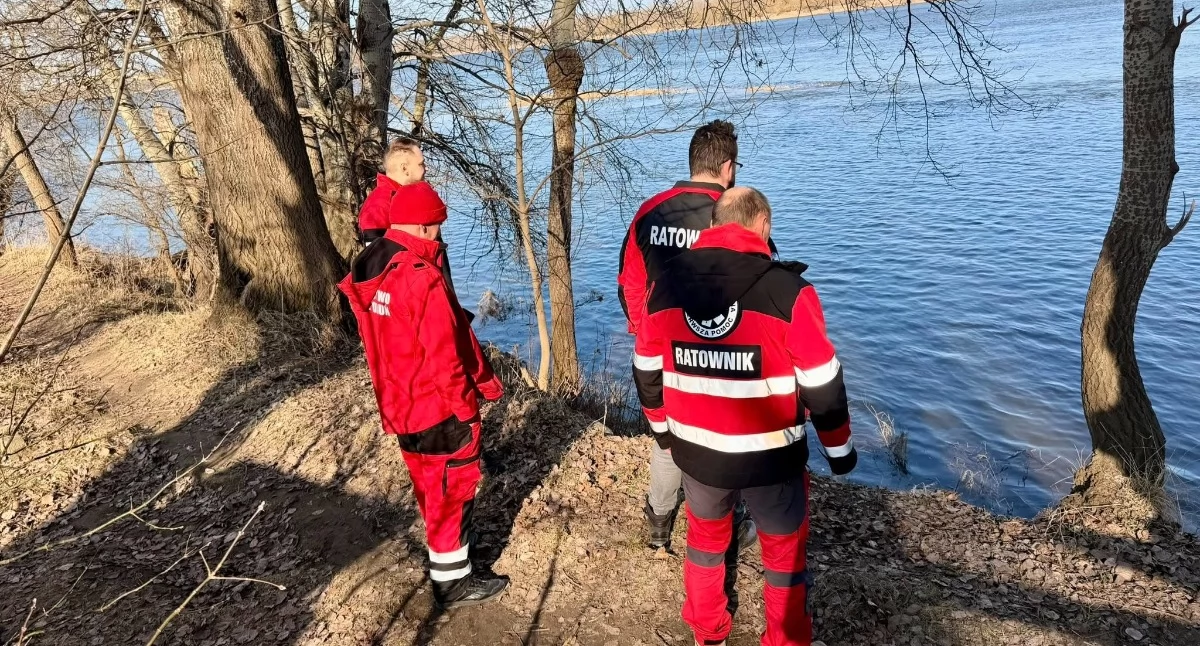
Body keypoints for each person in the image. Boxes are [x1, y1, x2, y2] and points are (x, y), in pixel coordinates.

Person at [632, 187, 858, 646]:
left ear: (715, 225)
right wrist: (840, 452)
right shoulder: (789, 291)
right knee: (783, 556)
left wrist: (662, 430)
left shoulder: (666, 285)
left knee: (706, 541)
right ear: (763, 226)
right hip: (771, 457)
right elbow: (822, 383)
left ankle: (707, 630)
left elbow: (646, 366)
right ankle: (786, 638)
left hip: (696, 451)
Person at [338, 180, 509, 609]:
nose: (441, 236)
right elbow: (448, 358)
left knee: (428, 486)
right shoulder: (421, 278)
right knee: (451, 489)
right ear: (427, 227)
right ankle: (453, 584)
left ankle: (448, 562)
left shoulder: (369, 263)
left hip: (398, 401)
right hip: (436, 407)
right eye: (438, 228)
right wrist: (467, 410)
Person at [617, 120, 762, 552]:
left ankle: (659, 524)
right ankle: (729, 523)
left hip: (660, 347)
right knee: (725, 440)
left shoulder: (650, 211)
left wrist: (646, 332)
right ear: (728, 167)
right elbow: (762, 286)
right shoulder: (738, 212)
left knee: (667, 438)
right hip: (723, 346)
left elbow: (629, 280)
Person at [359, 137, 428, 244]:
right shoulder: (377, 207)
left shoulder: (413, 196)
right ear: (404, 168)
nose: (426, 168)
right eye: (421, 164)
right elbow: (377, 258)